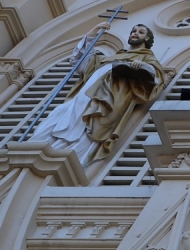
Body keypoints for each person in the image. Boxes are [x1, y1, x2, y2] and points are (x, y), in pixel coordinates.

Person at [31, 23, 164, 164]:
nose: (135, 33)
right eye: (133, 31)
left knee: (88, 127)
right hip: (86, 94)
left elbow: (156, 77)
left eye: (141, 32)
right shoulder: (112, 58)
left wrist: (142, 65)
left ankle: (68, 156)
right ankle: (37, 146)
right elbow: (83, 60)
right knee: (61, 114)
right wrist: (94, 31)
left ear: (147, 38)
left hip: (109, 98)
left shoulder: (146, 57)